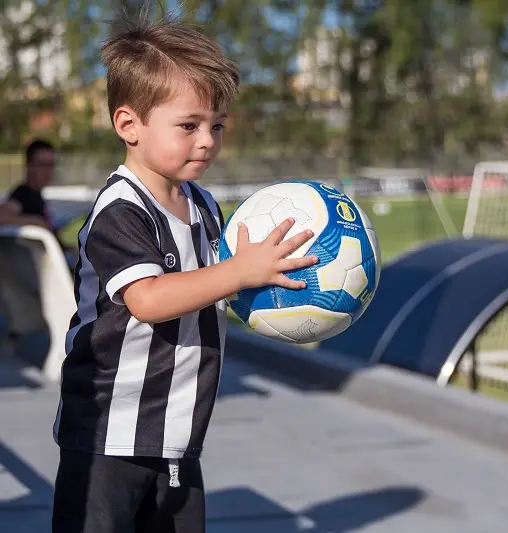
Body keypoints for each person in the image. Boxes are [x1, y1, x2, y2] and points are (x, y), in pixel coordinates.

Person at [50, 6, 319, 533]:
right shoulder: (120, 210)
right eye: (189, 125)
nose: (207, 141)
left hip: (176, 431)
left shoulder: (202, 206)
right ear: (128, 124)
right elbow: (148, 299)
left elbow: (210, 288)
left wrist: (271, 296)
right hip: (107, 434)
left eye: (217, 126)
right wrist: (239, 272)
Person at [0, 139, 60, 350]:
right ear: (29, 166)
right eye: (42, 165)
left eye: (51, 165)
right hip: (49, 278)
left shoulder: (35, 197)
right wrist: (33, 222)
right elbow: (2, 215)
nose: (48, 171)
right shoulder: (23, 194)